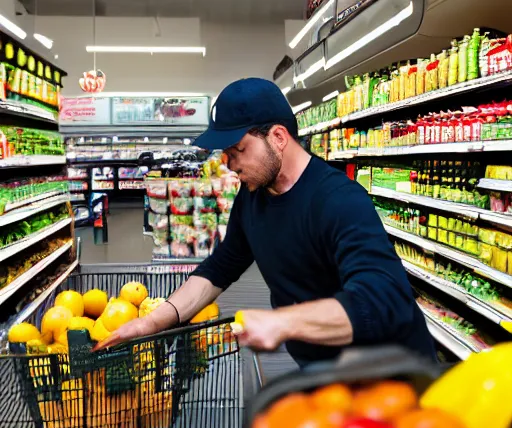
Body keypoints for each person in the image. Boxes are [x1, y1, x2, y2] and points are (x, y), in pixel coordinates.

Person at [95, 77, 436, 367]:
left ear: (277, 137)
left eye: (237, 150)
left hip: (391, 376)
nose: (227, 163)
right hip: (327, 375)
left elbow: (379, 302)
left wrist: (283, 322)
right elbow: (221, 267)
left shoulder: (339, 201)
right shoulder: (253, 196)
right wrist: (154, 322)